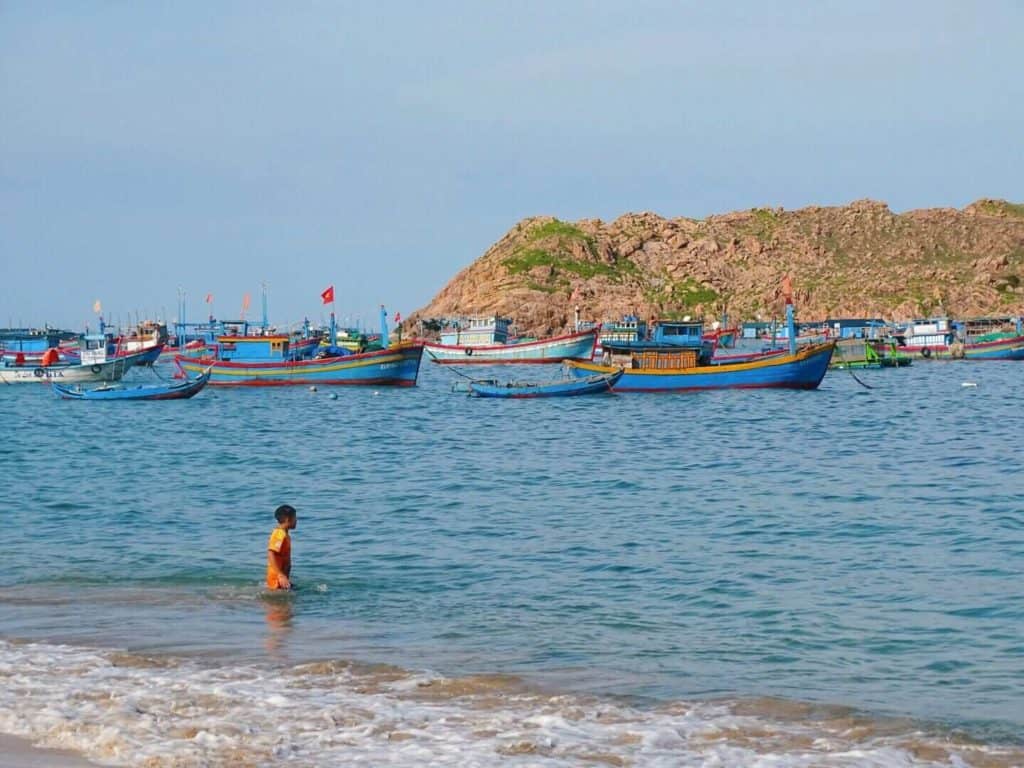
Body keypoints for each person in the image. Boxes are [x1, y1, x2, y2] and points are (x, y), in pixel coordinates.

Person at [266, 504, 297, 590]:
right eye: (295, 518)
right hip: (277, 579)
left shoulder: (285, 534)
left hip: (282, 579)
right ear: (288, 519)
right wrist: (280, 575)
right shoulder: (279, 534)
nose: (296, 520)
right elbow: (271, 553)